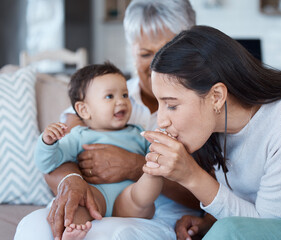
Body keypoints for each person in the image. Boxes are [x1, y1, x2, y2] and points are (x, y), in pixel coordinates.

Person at [139, 25, 281, 239]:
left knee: (228, 231)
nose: (161, 121)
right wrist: (208, 222)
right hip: (264, 224)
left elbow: (263, 228)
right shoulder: (214, 127)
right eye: (160, 103)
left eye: (172, 105)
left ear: (216, 96)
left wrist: (191, 175)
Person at [15, 1, 201, 240]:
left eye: (168, 51)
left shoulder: (201, 106)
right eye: (145, 53)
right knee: (33, 227)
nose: (157, 63)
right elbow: (55, 162)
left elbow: (209, 193)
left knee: (107, 233)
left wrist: (135, 166)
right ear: (131, 50)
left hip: (156, 215)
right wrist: (73, 180)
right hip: (96, 205)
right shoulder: (103, 95)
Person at [34, 62, 165, 240]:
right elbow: (48, 163)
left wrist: (157, 151)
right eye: (110, 96)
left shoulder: (138, 132)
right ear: (84, 110)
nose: (121, 101)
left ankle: (151, 176)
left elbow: (153, 155)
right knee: (78, 203)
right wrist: (47, 143)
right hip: (95, 196)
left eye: (125, 95)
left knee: (151, 180)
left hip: (130, 199)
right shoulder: (79, 136)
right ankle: (70, 231)